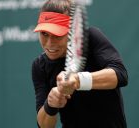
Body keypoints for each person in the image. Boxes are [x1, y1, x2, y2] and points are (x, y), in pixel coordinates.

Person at [31, 0, 128, 128]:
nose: (49, 43)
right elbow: (44, 125)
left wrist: (78, 80)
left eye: (57, 35)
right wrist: (50, 105)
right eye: (44, 34)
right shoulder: (39, 66)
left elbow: (120, 74)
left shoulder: (92, 38)